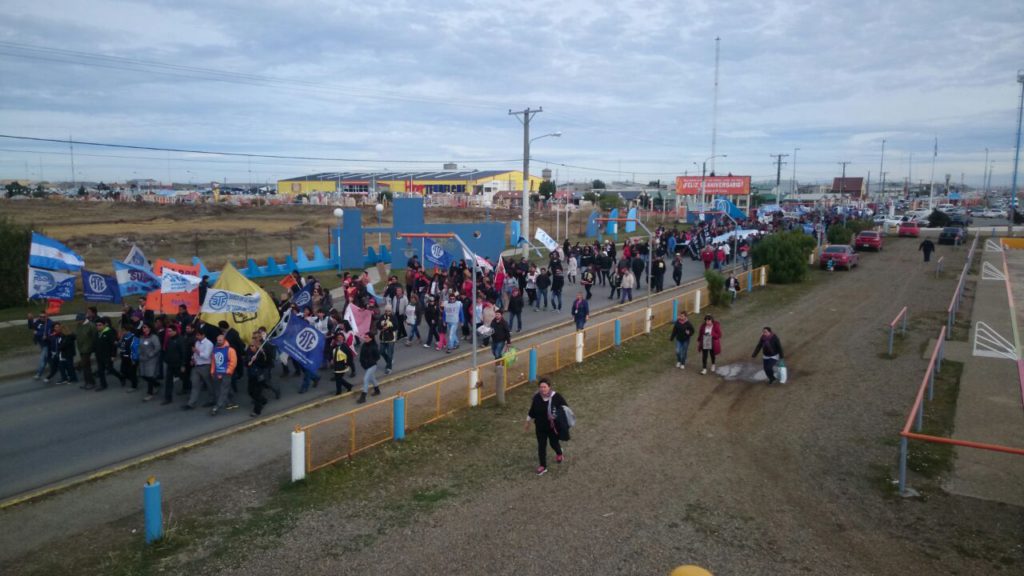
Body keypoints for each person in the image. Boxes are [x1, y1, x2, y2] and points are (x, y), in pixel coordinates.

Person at [523, 378, 569, 476]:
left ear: (549, 387)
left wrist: (557, 416)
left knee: (553, 443)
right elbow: (532, 410)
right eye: (541, 387)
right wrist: (527, 421)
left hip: (553, 427)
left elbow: (565, 408)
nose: (542, 389)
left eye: (544, 387)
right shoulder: (536, 398)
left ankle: (559, 453)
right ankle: (543, 466)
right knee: (541, 446)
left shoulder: (556, 397)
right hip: (540, 427)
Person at [209, 333, 239, 415]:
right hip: (217, 373)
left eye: (220, 340)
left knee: (223, 390)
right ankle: (231, 401)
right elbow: (213, 362)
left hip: (226, 373)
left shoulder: (230, 350)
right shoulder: (215, 350)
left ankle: (217, 407)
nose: (219, 341)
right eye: (218, 340)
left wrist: (228, 371)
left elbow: (233, 362)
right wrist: (212, 371)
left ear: (224, 340)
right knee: (226, 388)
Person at [183, 329, 213, 410]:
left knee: (209, 384)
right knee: (194, 384)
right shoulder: (197, 343)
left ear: (203, 335)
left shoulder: (209, 344)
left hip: (205, 366)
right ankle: (191, 403)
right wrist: (192, 359)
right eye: (196, 335)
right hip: (197, 366)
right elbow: (194, 354)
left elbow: (206, 356)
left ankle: (212, 399)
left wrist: (197, 351)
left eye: (198, 335)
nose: (197, 337)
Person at [246, 334, 272, 416]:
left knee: (257, 393)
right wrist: (249, 361)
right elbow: (246, 361)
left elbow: (266, 363)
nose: (253, 339)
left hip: (259, 375)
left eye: (255, 337)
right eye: (253, 337)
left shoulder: (263, 349)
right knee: (250, 391)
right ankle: (263, 400)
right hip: (251, 374)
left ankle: (257, 410)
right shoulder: (249, 349)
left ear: (259, 338)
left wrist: (257, 358)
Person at [162, 325, 187, 405]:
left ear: (175, 331)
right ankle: (168, 398)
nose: (168, 333)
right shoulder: (169, 340)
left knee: (183, 377)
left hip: (178, 364)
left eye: (170, 331)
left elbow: (183, 353)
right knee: (168, 381)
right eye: (168, 331)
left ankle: (187, 387)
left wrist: (183, 364)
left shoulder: (180, 340)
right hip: (170, 364)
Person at [75, 307, 98, 389]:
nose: (78, 321)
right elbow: (77, 334)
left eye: (79, 320)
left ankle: (91, 382)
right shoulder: (79, 325)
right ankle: (87, 382)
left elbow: (95, 337)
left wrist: (92, 348)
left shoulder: (91, 326)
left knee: (85, 366)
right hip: (81, 348)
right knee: (85, 367)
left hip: (87, 349)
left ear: (83, 319)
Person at [138, 323, 162, 401]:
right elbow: (139, 346)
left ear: (149, 328)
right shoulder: (141, 337)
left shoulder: (154, 337)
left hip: (151, 359)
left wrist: (151, 354)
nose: (144, 329)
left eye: (145, 327)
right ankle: (156, 384)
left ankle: (150, 393)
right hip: (142, 358)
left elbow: (158, 347)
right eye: (143, 327)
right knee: (143, 375)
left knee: (149, 375)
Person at [93, 318, 118, 391]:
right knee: (101, 371)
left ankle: (121, 377)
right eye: (97, 325)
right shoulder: (97, 333)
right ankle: (103, 385)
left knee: (110, 369)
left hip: (107, 355)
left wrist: (113, 355)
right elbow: (95, 343)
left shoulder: (109, 332)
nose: (98, 327)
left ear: (104, 325)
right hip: (99, 355)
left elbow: (113, 345)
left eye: (100, 325)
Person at [27, 312, 53, 380]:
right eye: (40, 316)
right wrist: (30, 319)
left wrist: (37, 333)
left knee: (43, 359)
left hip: (47, 344)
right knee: (48, 358)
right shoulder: (38, 321)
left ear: (47, 317)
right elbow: (31, 326)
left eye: (44, 317)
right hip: (41, 343)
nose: (42, 318)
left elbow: (46, 332)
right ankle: (55, 369)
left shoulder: (50, 323)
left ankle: (39, 374)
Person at [357, 333, 381, 404]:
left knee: (366, 379)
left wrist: (370, 361)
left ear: (371, 338)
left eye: (367, 337)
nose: (365, 338)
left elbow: (378, 357)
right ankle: (377, 390)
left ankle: (363, 397)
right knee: (372, 378)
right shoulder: (364, 345)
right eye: (365, 337)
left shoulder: (374, 346)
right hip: (365, 366)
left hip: (372, 365)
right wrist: (362, 362)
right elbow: (361, 355)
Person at [378, 305, 398, 375]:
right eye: (386, 311)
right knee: (381, 351)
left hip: (391, 338)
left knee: (390, 354)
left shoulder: (394, 317)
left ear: (391, 311)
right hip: (383, 337)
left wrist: (388, 328)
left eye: (389, 311)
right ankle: (388, 361)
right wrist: (381, 327)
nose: (387, 312)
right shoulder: (382, 317)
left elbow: (396, 326)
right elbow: (378, 325)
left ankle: (389, 368)